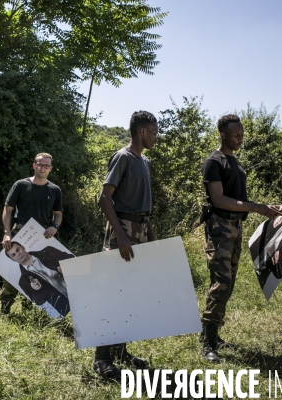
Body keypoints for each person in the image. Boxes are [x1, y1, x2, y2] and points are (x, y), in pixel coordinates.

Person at [199, 114, 282, 363]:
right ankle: (208, 343)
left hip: (235, 228)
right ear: (223, 134)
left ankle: (212, 332)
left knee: (228, 282)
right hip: (220, 229)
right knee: (221, 282)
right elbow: (219, 200)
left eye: (242, 134)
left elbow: (237, 200)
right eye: (236, 134)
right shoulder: (214, 162)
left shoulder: (234, 162)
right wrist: (256, 207)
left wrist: (263, 209)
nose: (240, 138)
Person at [92, 110, 158, 380]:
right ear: (141, 131)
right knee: (114, 291)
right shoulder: (123, 157)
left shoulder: (144, 162)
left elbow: (144, 207)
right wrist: (120, 235)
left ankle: (120, 352)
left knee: (130, 292)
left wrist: (151, 237)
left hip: (141, 229)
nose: (156, 136)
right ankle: (101, 358)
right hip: (124, 229)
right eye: (153, 131)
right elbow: (104, 198)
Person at [0, 152, 63, 314]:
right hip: (20, 232)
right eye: (40, 164)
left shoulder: (54, 190)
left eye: (46, 165)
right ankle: (5, 308)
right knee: (12, 274)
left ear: (51, 168)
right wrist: (7, 233)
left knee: (40, 272)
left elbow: (58, 213)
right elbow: (8, 209)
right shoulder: (21, 185)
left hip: (42, 236)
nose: (43, 168)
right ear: (34, 165)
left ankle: (31, 308)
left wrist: (55, 226)